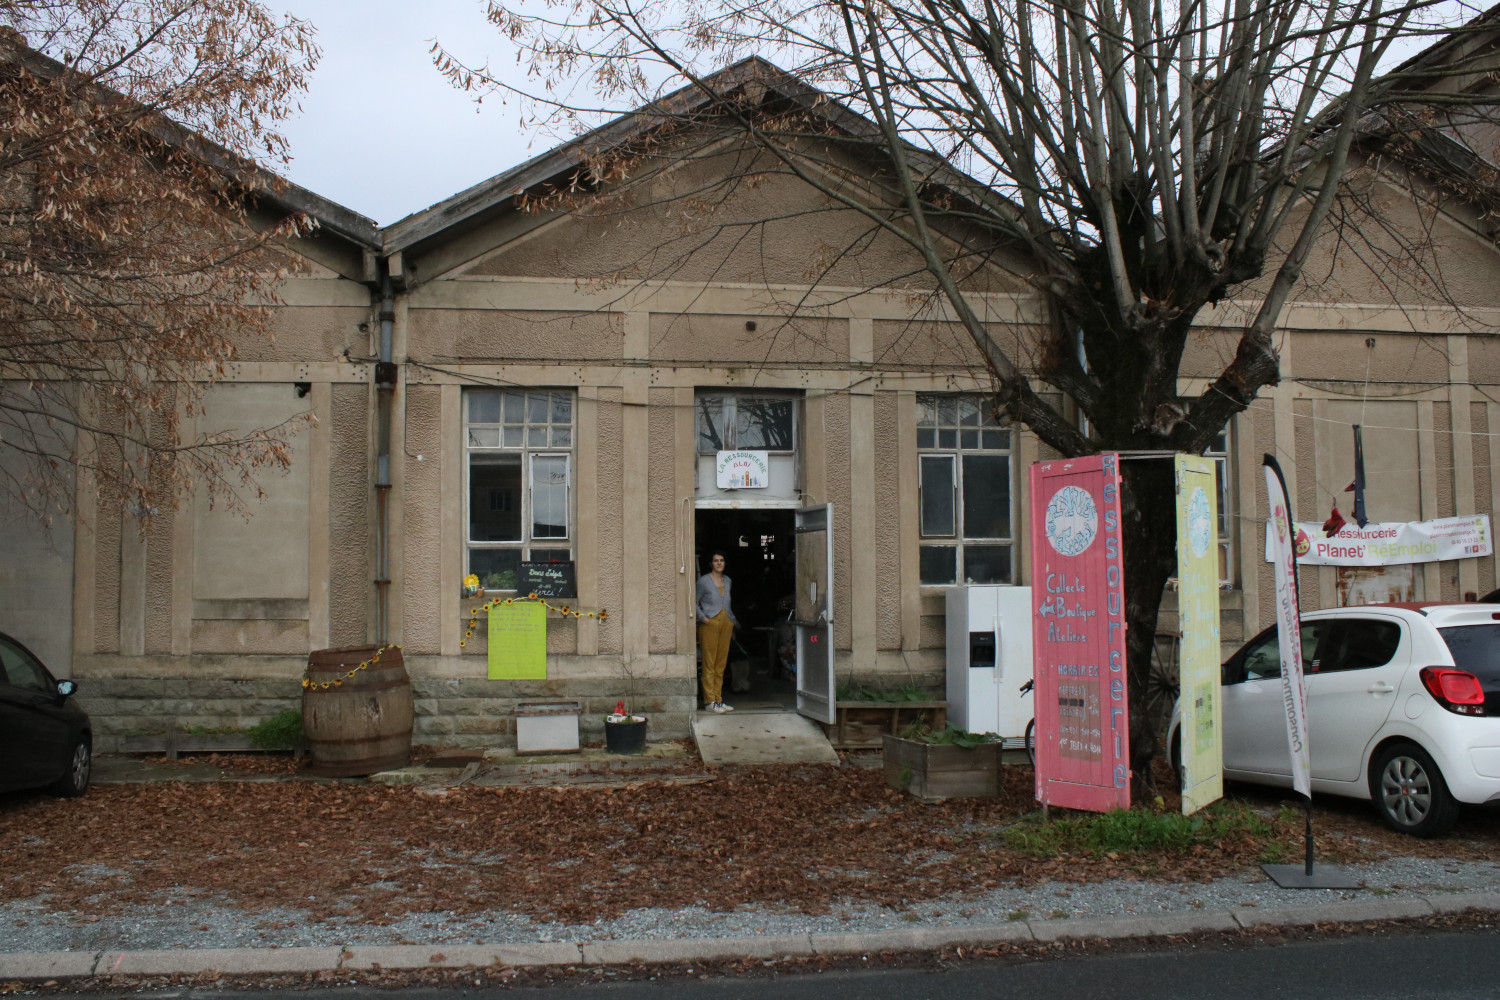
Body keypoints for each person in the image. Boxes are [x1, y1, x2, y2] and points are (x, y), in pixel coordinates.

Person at [696, 551, 738, 714]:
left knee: (721, 663)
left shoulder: (727, 581)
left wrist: (733, 622)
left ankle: (719, 700)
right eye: (715, 560)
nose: (719, 563)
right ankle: (710, 701)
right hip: (710, 622)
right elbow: (694, 602)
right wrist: (704, 619)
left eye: (721, 560)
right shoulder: (704, 581)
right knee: (709, 662)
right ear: (711, 563)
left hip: (726, 621)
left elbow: (728, 603)